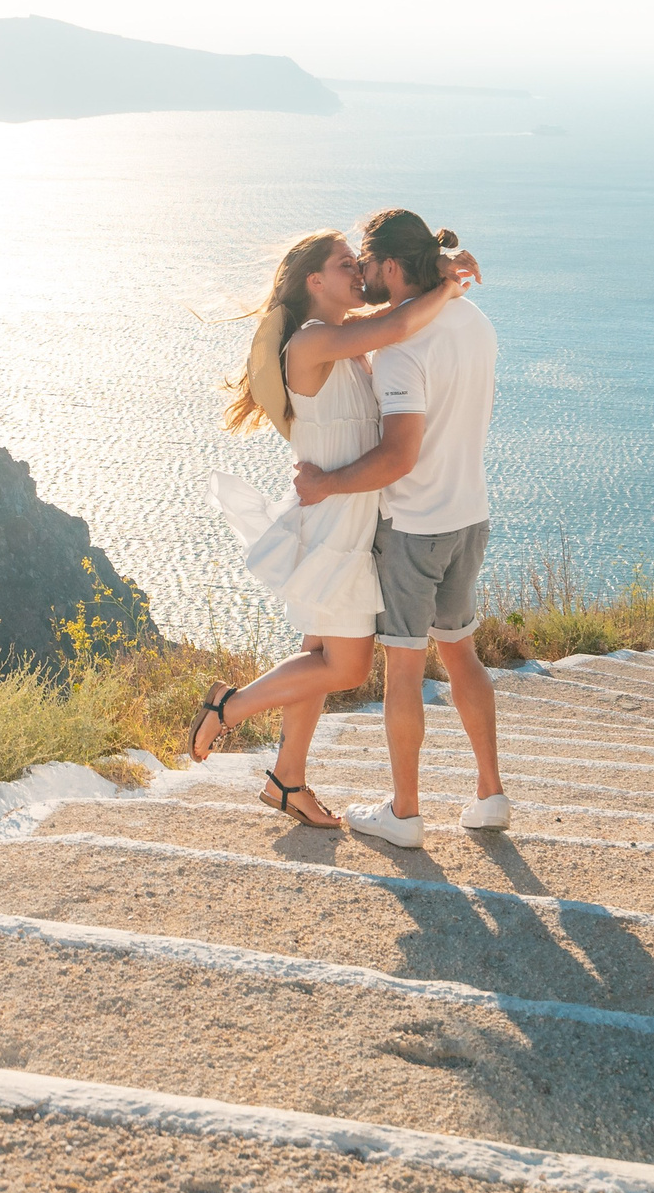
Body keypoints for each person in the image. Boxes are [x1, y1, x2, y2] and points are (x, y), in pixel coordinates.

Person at [198, 228, 479, 828]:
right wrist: (450, 284)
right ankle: (229, 706)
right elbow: (399, 324)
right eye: (345, 264)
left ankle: (286, 779)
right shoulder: (313, 342)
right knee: (346, 667)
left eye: (360, 262)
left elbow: (393, 311)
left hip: (351, 514)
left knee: (319, 652)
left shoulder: (346, 343)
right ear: (314, 281)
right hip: (334, 523)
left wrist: (436, 269)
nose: (357, 271)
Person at [290, 208, 504, 849]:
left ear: (390, 265)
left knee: (405, 672)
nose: (362, 273)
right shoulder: (474, 320)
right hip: (469, 514)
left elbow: (398, 457)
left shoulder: (400, 350)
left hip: (415, 526)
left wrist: (325, 484)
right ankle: (490, 793)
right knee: (461, 653)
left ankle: (405, 813)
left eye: (365, 262)